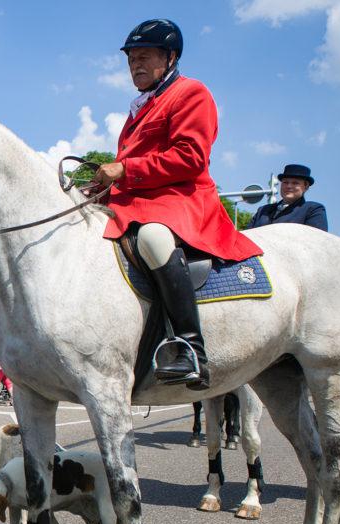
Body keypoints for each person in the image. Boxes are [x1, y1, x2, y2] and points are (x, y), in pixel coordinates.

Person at [94, 18, 262, 390]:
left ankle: (190, 347)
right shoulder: (139, 108)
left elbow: (190, 157)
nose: (135, 65)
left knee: (153, 239)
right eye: (131, 59)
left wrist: (124, 169)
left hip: (180, 200)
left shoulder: (191, 93)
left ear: (170, 57)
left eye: (144, 57)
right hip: (137, 202)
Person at [247, 164, 328, 231]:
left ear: (306, 186)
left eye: (295, 183)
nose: (289, 186)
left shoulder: (313, 210)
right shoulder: (262, 210)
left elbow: (316, 242)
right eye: (285, 182)